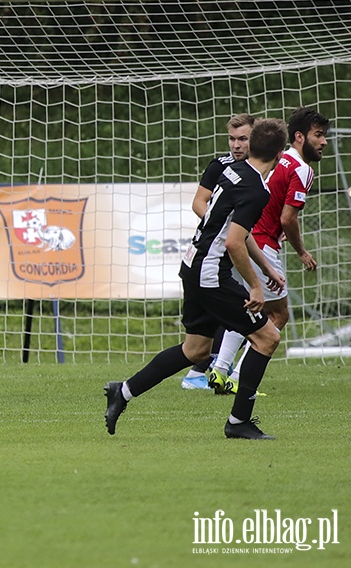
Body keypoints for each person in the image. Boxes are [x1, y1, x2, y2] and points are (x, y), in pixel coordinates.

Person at [104, 118, 288, 440]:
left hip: (193, 265)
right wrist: (256, 286)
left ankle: (125, 391)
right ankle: (238, 422)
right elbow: (233, 242)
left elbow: (235, 234)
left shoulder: (233, 172)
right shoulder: (257, 189)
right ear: (280, 153)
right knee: (268, 337)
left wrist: (267, 269)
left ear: (253, 143)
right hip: (210, 274)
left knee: (196, 350)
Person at [207, 107, 328, 395]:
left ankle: (220, 370)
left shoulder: (278, 158)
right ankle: (239, 376)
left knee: (248, 308)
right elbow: (288, 218)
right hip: (259, 245)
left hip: (246, 236)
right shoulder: (302, 169)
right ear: (299, 137)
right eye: (319, 135)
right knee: (278, 314)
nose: (324, 142)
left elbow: (272, 209)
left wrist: (277, 226)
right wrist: (301, 251)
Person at [180, 113, 256, 390]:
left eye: (243, 139)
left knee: (243, 307)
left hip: (247, 244)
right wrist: (225, 224)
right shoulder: (219, 167)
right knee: (244, 307)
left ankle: (217, 368)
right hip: (219, 248)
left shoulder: (262, 170)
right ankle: (212, 370)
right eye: (232, 139)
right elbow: (199, 202)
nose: (236, 145)